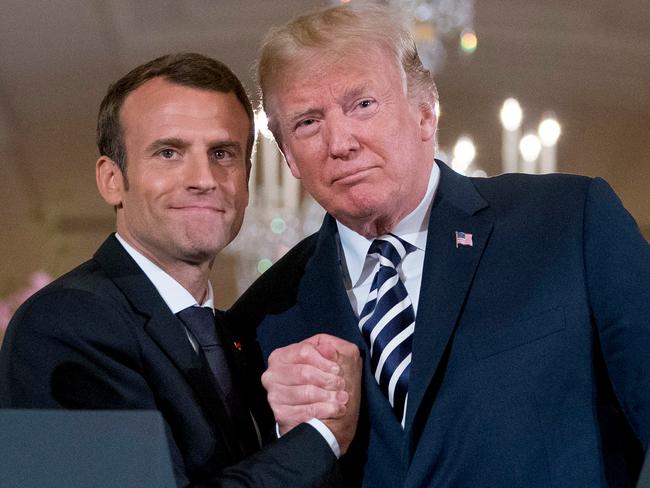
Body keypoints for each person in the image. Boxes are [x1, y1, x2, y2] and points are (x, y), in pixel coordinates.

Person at [227, 5, 650, 487]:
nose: (339, 142)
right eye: (307, 122)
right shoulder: (263, 319)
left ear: (426, 113)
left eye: (362, 104)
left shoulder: (568, 222)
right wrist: (291, 437)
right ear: (288, 157)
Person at [0, 53, 361, 487]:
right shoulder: (66, 323)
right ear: (111, 179)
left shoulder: (235, 336)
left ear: (246, 178)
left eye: (222, 153)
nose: (203, 178)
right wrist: (320, 438)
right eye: (169, 152)